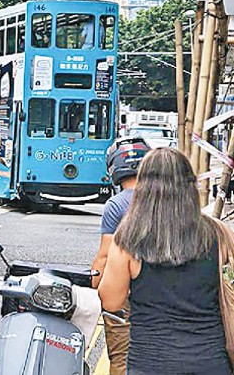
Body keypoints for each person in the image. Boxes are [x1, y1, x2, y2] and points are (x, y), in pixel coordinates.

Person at [99, 148, 230, 375]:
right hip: (209, 362)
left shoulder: (128, 240)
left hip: (150, 364)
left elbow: (111, 301)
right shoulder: (217, 233)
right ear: (190, 186)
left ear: (143, 189)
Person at [90, 137, 150, 375]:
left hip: (126, 294)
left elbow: (105, 256)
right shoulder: (166, 201)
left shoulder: (116, 205)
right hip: (164, 296)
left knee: (121, 358)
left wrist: (92, 284)